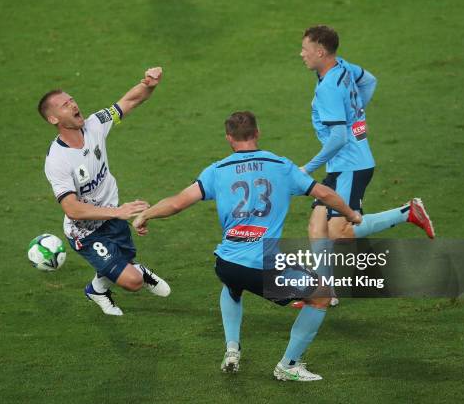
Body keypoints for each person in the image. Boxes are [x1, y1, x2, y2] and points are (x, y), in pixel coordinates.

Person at [132, 111, 367, 381]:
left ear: (229, 139)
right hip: (261, 266)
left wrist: (145, 214)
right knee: (321, 296)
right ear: (257, 133)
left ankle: (232, 348)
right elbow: (324, 193)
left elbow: (176, 202)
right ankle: (288, 366)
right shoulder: (281, 166)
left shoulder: (217, 170)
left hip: (227, 263)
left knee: (233, 283)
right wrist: (351, 214)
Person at [296, 25, 435, 307]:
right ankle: (326, 291)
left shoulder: (329, 89)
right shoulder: (343, 67)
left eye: (305, 49)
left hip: (351, 164)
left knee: (339, 233)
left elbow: (337, 138)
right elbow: (369, 80)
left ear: (320, 52)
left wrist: (306, 169)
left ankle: (408, 212)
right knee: (316, 225)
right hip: (343, 164)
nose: (302, 54)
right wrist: (357, 113)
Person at [38, 67, 170, 317]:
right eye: (65, 105)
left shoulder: (95, 125)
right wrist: (117, 212)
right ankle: (139, 273)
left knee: (123, 261)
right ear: (54, 119)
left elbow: (129, 101)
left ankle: (96, 289)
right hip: (85, 231)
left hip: (113, 217)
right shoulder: (57, 159)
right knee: (133, 281)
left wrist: (149, 84)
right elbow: (71, 208)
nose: (74, 105)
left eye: (72, 100)